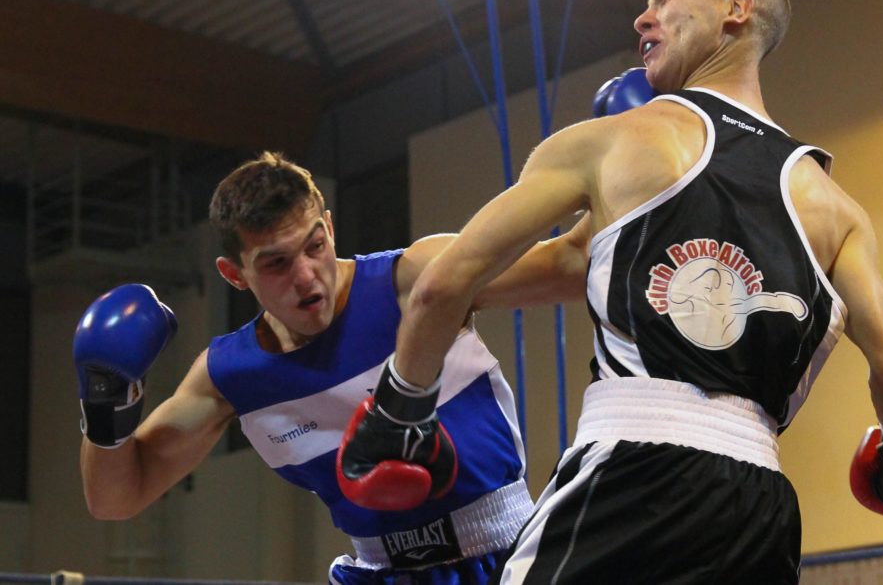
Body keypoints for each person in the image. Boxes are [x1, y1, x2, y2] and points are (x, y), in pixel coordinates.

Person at [338, 0, 883, 584]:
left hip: (628, 473)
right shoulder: (834, 206)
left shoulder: (611, 143)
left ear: (735, 10)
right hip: (760, 511)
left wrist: (399, 409)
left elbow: (445, 282)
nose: (643, 15)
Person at [74, 152, 589, 585]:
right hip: (377, 571)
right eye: (276, 263)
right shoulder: (231, 374)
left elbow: (570, 267)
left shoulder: (413, 280)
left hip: (512, 553)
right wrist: (105, 402)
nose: (306, 277)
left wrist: (633, 177)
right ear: (235, 275)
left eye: (314, 246)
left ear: (330, 229)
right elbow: (115, 499)